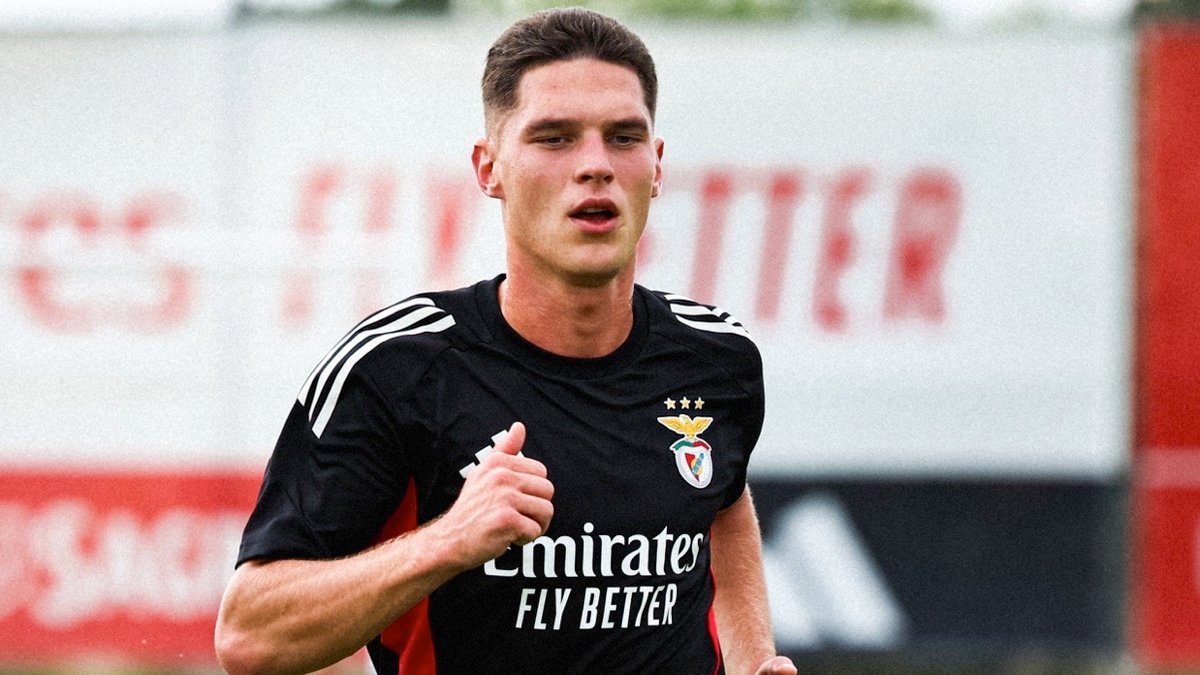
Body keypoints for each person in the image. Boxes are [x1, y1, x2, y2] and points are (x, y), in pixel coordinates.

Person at [215, 8, 797, 675]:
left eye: (623, 137)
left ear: (657, 166)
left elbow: (723, 502)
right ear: (489, 168)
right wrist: (448, 541)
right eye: (554, 138)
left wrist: (754, 658)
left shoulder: (716, 358)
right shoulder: (398, 368)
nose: (596, 165)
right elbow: (250, 634)